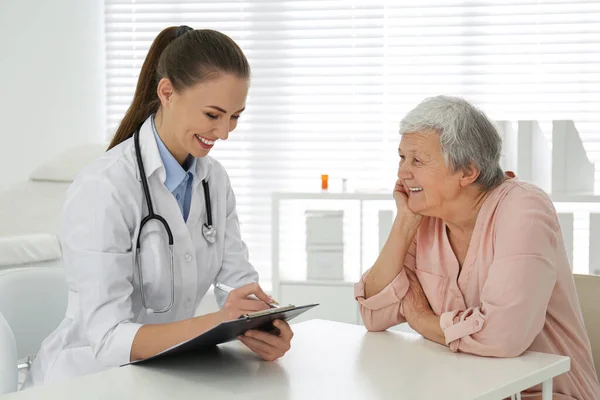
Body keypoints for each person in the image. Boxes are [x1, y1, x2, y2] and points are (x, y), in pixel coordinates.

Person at [25, 26, 293, 387]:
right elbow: (108, 338)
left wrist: (264, 323)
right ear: (167, 93)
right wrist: (219, 321)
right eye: (213, 115)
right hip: (87, 382)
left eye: (235, 116)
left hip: (169, 374)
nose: (225, 132)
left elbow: (236, 284)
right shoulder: (104, 187)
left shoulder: (214, 180)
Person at [354, 95, 600, 399]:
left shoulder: (523, 208)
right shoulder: (427, 217)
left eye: (417, 160)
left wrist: (418, 317)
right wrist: (405, 222)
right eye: (402, 158)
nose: (402, 173)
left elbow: (502, 337)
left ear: (468, 172)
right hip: (466, 388)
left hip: (545, 392)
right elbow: (374, 314)